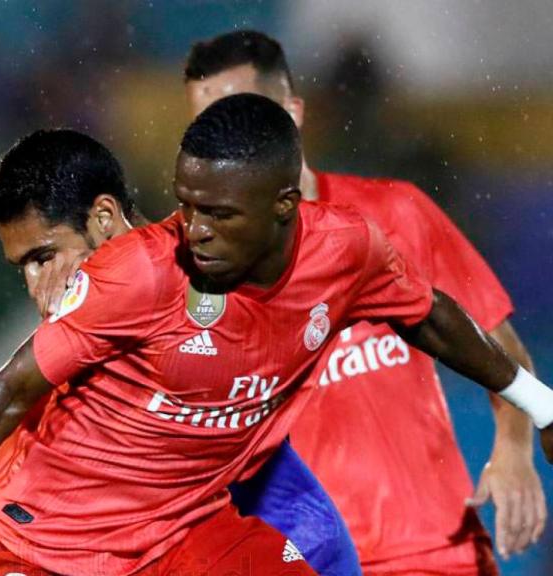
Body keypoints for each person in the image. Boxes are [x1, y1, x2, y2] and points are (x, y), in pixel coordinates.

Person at [0, 94, 553, 575]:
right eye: (186, 206)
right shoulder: (138, 276)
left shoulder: (347, 252)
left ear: (283, 207)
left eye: (217, 212)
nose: (196, 230)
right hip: (48, 554)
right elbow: (9, 398)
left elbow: (426, 313)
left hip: (182, 537)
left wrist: (536, 401)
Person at [0, 131, 360, 575]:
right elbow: (31, 462)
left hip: (223, 520)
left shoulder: (215, 278)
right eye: (24, 269)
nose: (38, 286)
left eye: (45, 256)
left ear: (105, 219)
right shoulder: (77, 335)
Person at [182, 30, 544, 574]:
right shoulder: (195, 276)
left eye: (242, 115)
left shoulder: (398, 215)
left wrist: (514, 452)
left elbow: (500, 342)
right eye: (206, 128)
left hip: (437, 553)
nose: (223, 144)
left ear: (293, 113)